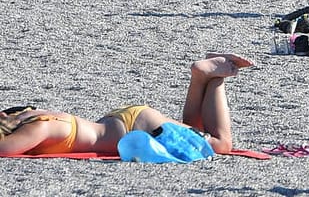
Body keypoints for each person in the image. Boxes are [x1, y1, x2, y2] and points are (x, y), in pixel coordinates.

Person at [0, 54, 251, 157]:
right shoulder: (26, 115)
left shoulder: (36, 130)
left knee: (221, 144)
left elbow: (5, 151)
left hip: (133, 128)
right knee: (192, 131)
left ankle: (218, 77)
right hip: (124, 121)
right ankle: (201, 77)